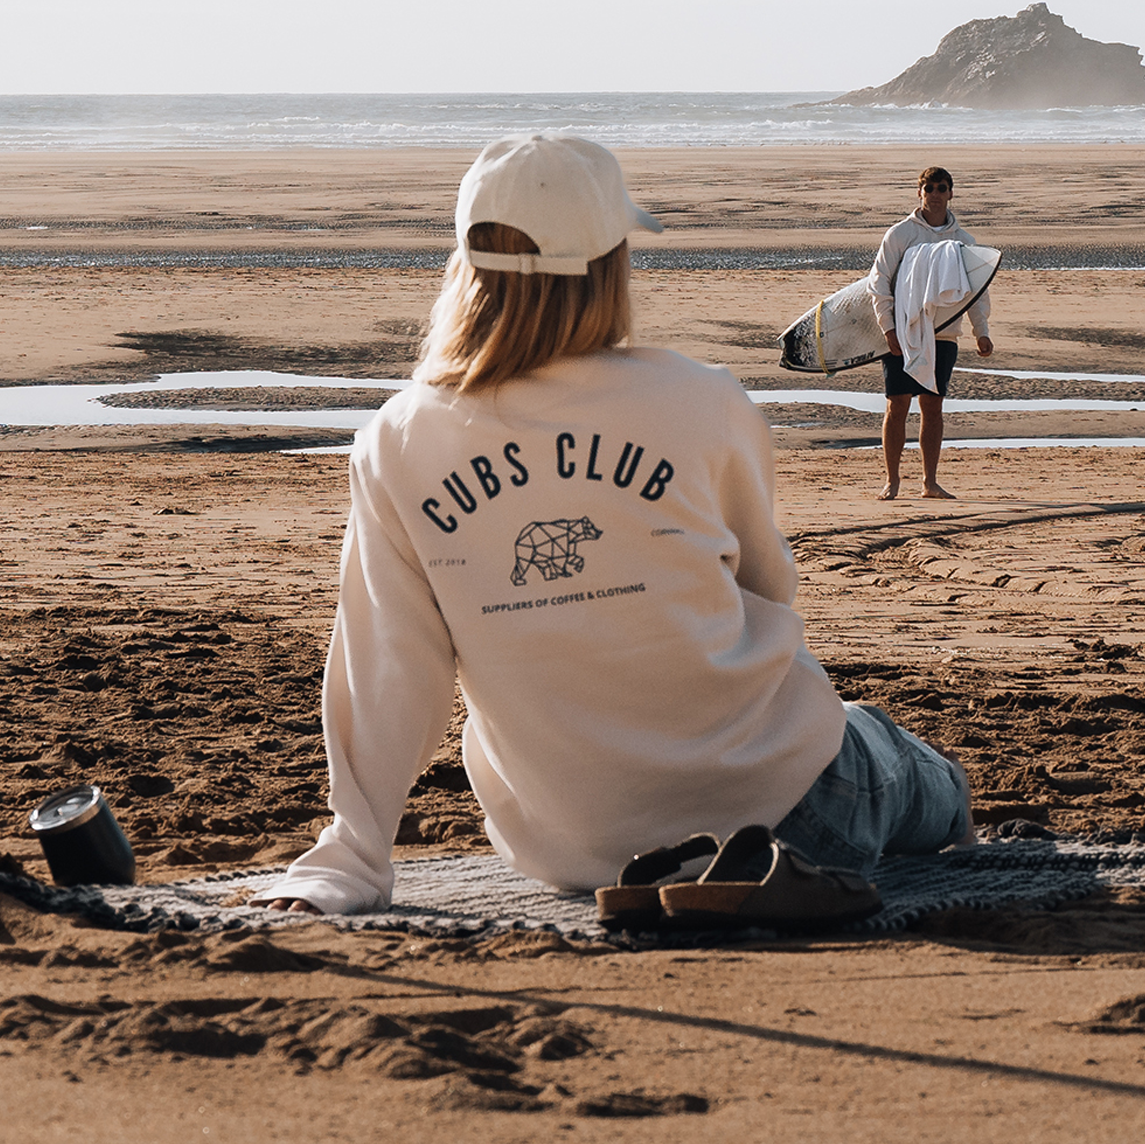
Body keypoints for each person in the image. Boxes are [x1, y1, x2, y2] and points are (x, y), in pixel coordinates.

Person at [259, 131, 972, 919]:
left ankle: (700, 852)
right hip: (787, 803)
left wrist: (352, 857)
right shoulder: (702, 399)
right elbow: (769, 596)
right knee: (906, 767)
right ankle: (913, 839)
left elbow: (390, 669)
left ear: (468, 265)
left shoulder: (395, 441)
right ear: (610, 265)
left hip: (570, 845)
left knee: (858, 742)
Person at [869, 165, 994, 502]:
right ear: (919, 193)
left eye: (942, 188)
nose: (935, 195)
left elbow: (975, 291)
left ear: (951, 193)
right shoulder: (900, 234)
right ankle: (892, 481)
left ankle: (929, 482)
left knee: (932, 406)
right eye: (930, 189)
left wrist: (980, 331)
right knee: (897, 404)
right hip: (903, 330)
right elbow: (879, 282)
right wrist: (888, 327)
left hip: (943, 334)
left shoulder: (963, 242)